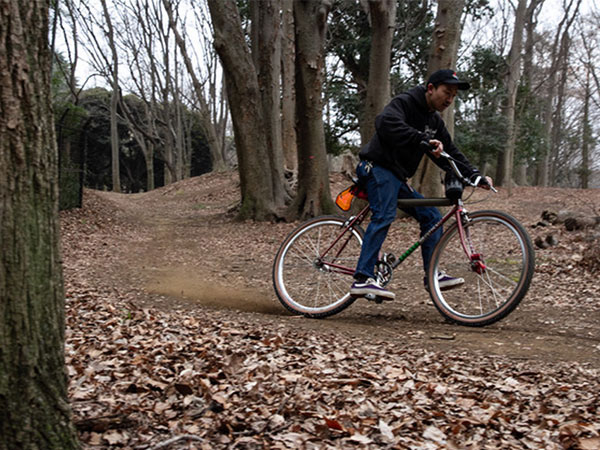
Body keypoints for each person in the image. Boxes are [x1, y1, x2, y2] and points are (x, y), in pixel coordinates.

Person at [349, 69, 493, 301]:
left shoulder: (434, 121)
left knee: (432, 217)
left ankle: (432, 275)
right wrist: (421, 140)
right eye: (446, 92)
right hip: (376, 167)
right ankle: (363, 278)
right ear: (430, 88)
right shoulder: (405, 102)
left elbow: (450, 152)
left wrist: (475, 176)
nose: (449, 99)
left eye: (454, 96)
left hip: (396, 177)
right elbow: (384, 122)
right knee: (384, 214)